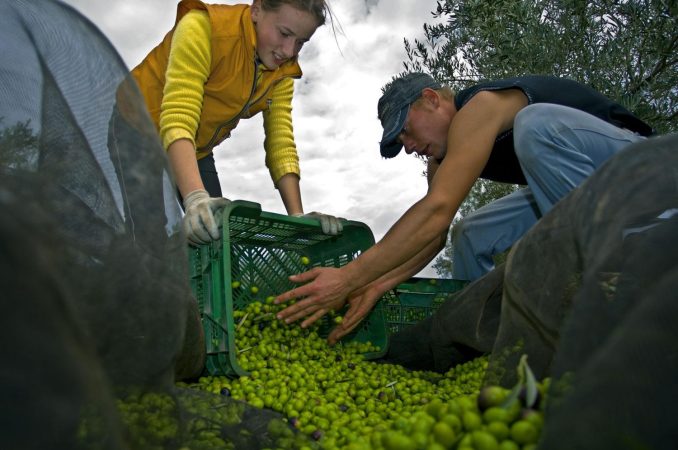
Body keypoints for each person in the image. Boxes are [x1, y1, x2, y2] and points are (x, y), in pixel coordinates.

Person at [274, 72, 654, 342]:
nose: (408, 146)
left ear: (431, 99)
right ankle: (487, 336)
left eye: (406, 130)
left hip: (642, 168)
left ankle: (616, 280)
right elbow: (435, 228)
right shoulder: (442, 158)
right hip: (583, 190)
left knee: (535, 126)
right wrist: (376, 284)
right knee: (469, 233)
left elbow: (437, 208)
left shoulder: (481, 105)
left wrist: (347, 277)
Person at [132, 0, 342, 245]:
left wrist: (297, 218)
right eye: (285, 33)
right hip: (135, 129)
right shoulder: (203, 27)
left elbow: (280, 142)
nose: (289, 51)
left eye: (301, 42)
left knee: (216, 234)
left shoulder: (283, 73)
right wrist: (195, 198)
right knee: (148, 236)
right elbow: (179, 113)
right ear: (257, 10)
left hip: (197, 147)